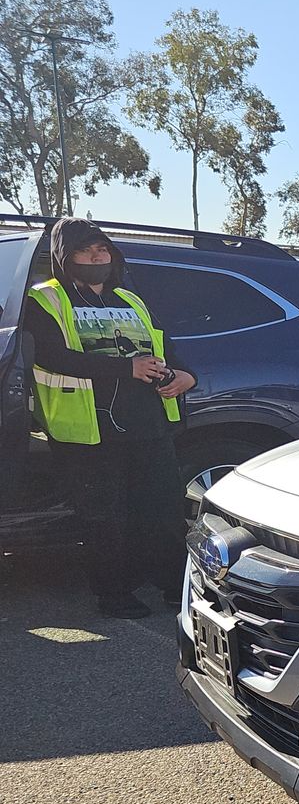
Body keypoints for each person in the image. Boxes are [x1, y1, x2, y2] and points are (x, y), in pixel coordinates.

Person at [22, 217, 196, 619]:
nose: (96, 257)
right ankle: (114, 594)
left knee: (162, 509)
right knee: (105, 517)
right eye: (86, 251)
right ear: (66, 257)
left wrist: (187, 375)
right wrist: (126, 370)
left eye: (102, 250)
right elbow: (50, 356)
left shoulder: (129, 299)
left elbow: (162, 345)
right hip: (88, 431)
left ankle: (173, 584)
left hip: (148, 424)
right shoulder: (46, 299)